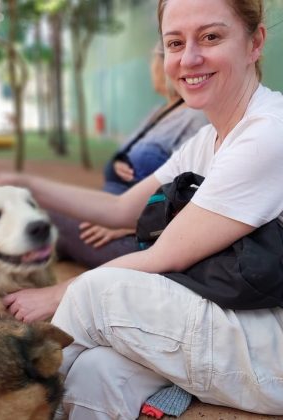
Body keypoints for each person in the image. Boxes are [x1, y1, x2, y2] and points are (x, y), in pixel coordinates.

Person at [0, 0, 283, 417]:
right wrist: (23, 182)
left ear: (255, 42)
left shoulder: (269, 133)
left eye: (211, 37)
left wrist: (58, 294)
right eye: (175, 42)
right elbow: (119, 209)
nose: (189, 58)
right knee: (97, 373)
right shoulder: (208, 139)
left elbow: (162, 256)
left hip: (270, 344)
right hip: (235, 316)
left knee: (94, 291)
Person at [53, 43, 207, 267]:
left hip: (141, 234)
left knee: (50, 219)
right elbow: (127, 150)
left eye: (152, 64)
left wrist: (126, 226)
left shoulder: (195, 119)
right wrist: (118, 161)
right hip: (109, 209)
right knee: (49, 216)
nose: (151, 71)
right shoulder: (158, 111)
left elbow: (191, 199)